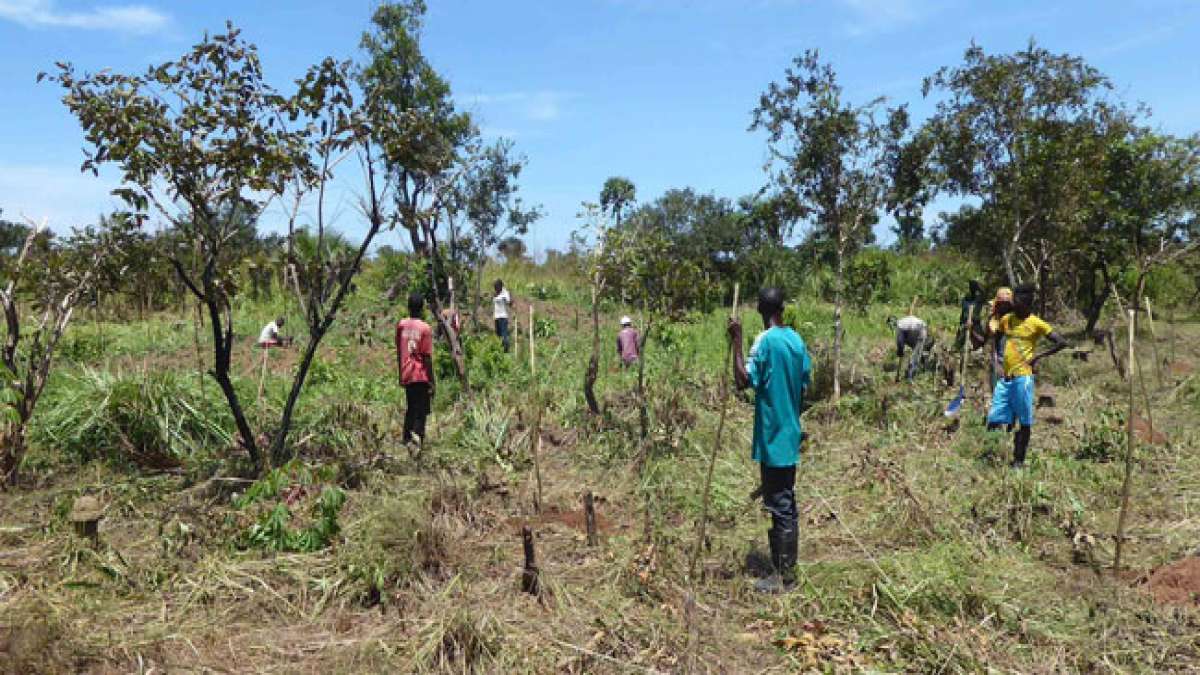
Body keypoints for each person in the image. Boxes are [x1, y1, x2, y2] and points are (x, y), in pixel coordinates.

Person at [729, 287, 812, 594]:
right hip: (789, 431)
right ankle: (784, 567)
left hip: (773, 434)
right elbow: (804, 385)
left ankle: (784, 576)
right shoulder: (796, 341)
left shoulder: (765, 341)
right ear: (782, 308)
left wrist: (737, 341)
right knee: (785, 498)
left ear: (760, 309)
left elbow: (743, 380)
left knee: (780, 504)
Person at [986, 284, 1067, 469]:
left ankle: (1018, 461)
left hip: (1023, 379)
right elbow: (997, 337)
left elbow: (1061, 342)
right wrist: (997, 361)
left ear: (1027, 306)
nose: (1014, 305)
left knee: (1024, 421)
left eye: (1018, 303)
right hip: (1005, 378)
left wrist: (1038, 357)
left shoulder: (1037, 323)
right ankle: (991, 456)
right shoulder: (1007, 319)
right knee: (995, 417)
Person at [396, 292, 435, 447]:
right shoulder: (425, 328)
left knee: (411, 407)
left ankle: (406, 439)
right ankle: (416, 442)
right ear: (422, 308)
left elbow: (399, 350)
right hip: (420, 374)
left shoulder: (402, 325)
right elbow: (426, 357)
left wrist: (400, 373)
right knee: (421, 412)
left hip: (407, 373)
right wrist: (432, 381)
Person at [891, 314, 928, 382]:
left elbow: (900, 341)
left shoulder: (899, 326)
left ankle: (910, 378)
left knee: (915, 356)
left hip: (919, 330)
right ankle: (923, 359)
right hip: (921, 329)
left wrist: (900, 351)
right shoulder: (902, 322)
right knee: (917, 351)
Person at [955, 280, 986, 350]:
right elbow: (963, 313)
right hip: (965, 324)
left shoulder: (978, 299)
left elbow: (983, 293)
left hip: (975, 325)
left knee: (979, 344)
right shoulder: (965, 300)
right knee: (958, 346)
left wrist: (977, 285)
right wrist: (962, 324)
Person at [493, 279, 512, 352]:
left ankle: (506, 350)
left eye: (496, 287)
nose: (495, 289)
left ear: (500, 286)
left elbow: (509, 302)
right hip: (496, 317)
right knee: (498, 334)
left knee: (504, 335)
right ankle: (500, 350)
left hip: (503, 317)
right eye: (495, 287)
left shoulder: (505, 293)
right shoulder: (496, 294)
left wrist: (506, 300)